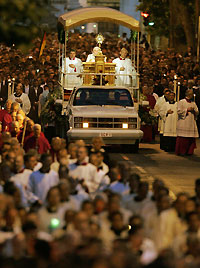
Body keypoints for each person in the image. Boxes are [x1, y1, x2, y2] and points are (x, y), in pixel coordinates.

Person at [175, 89, 199, 155]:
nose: (191, 95)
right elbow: (179, 111)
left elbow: (197, 112)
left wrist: (194, 111)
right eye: (191, 93)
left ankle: (189, 151)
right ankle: (181, 151)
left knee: (190, 138)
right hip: (184, 121)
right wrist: (187, 110)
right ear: (187, 94)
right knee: (183, 138)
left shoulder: (193, 103)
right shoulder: (181, 101)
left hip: (191, 122)